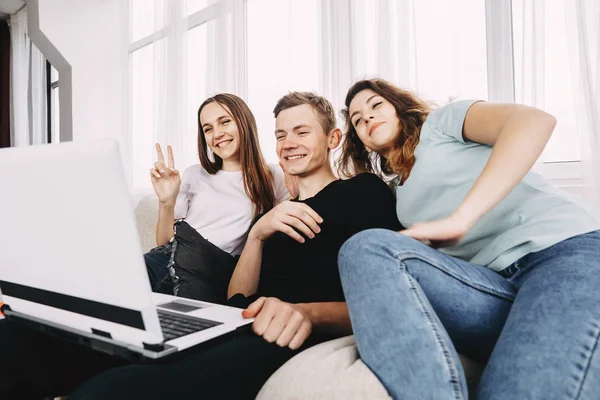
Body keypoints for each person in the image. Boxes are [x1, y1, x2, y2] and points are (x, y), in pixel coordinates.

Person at [0, 92, 401, 400]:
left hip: (274, 334)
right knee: (18, 342)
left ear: (332, 137)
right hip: (224, 319)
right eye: (280, 134)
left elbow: (389, 298)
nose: (288, 143)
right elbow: (237, 295)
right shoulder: (276, 213)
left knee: (109, 392)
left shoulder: (362, 191)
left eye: (301, 132)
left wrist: (304, 312)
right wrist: (260, 232)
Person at [336, 78, 600, 399]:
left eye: (375, 106)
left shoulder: (441, 125)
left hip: (561, 254)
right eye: (357, 119)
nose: (367, 118)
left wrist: (460, 219)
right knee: (365, 248)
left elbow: (534, 122)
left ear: (399, 108)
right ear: (359, 141)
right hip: (493, 286)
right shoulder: (395, 193)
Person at [144, 93, 289, 303]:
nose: (217, 134)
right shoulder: (194, 174)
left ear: (244, 122)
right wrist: (166, 202)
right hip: (164, 263)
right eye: (208, 129)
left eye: (225, 122)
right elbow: (165, 243)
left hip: (208, 275)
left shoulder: (272, 176)